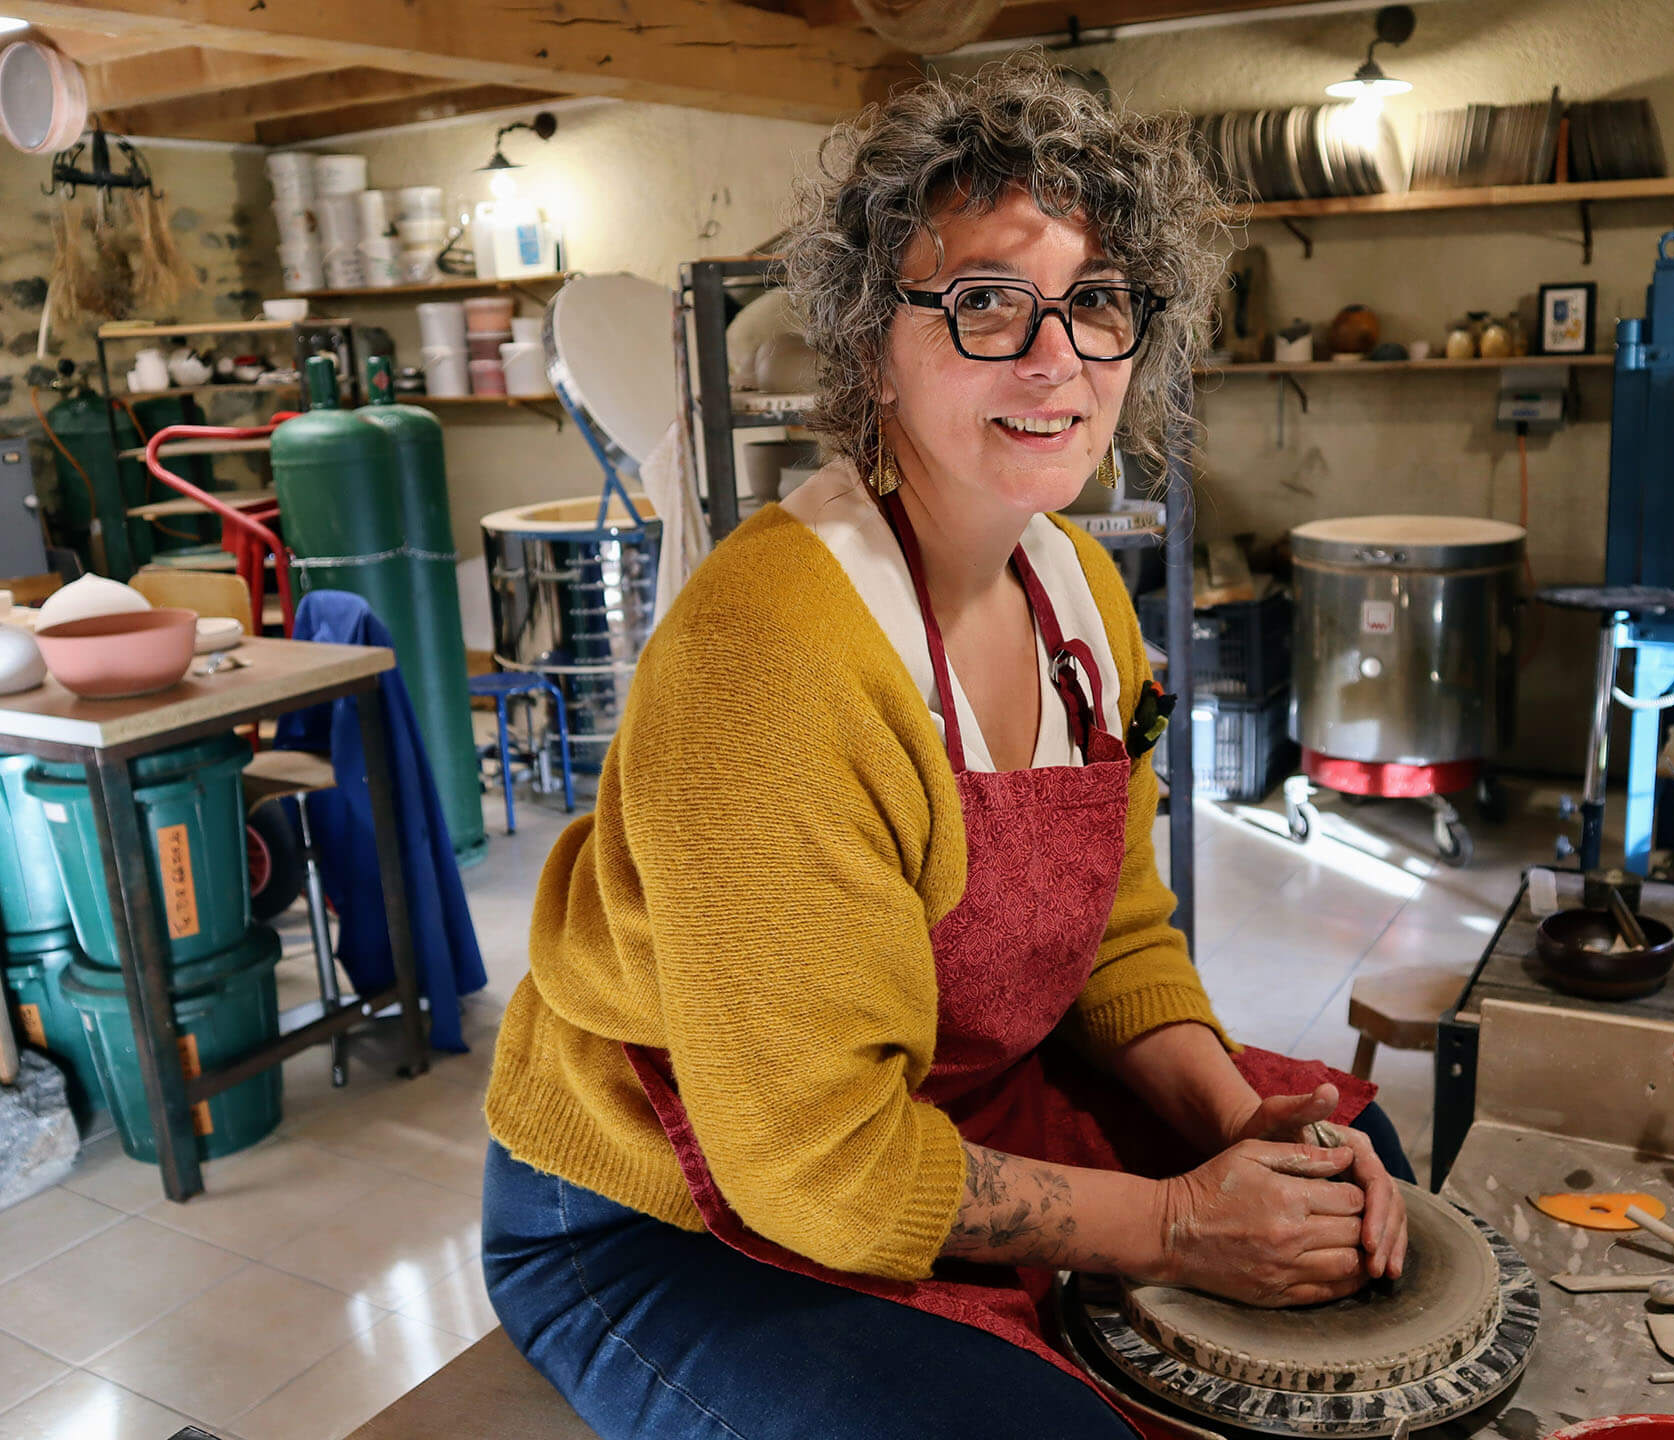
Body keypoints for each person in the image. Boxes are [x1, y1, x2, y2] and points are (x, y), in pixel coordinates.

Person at [481, 56, 1412, 1440]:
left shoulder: (1081, 596)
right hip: (674, 1199)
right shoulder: (774, 655)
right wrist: (1176, 1225)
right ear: (872, 347)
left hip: (938, 1100)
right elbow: (814, 1164)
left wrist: (1235, 1129)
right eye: (986, 301)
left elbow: (1117, 937)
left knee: (1345, 1152)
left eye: (1098, 301)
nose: (1058, 360)